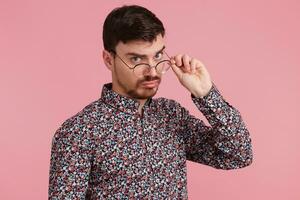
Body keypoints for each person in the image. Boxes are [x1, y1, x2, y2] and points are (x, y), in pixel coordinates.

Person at [48, 4, 253, 199]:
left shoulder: (172, 115)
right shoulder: (79, 132)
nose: (153, 71)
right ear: (109, 59)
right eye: (137, 59)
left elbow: (238, 155)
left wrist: (205, 93)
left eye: (157, 56)